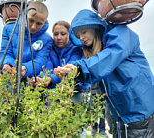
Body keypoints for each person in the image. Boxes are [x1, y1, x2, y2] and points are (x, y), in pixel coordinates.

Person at [53, 9, 154, 138]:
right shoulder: (98, 52)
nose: (82, 38)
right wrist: (62, 74)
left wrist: (78, 69)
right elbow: (88, 64)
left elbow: (109, 56)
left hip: (139, 109)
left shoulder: (120, 33)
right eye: (78, 36)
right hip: (121, 114)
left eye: (84, 32)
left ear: (96, 27)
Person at [0, 1, 53, 78]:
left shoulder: (47, 40)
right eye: (31, 20)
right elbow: (5, 53)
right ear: (25, 15)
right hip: (11, 81)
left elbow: (40, 61)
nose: (33, 26)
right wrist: (8, 65)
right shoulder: (9, 30)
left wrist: (25, 69)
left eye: (39, 23)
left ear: (44, 22)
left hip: (31, 82)